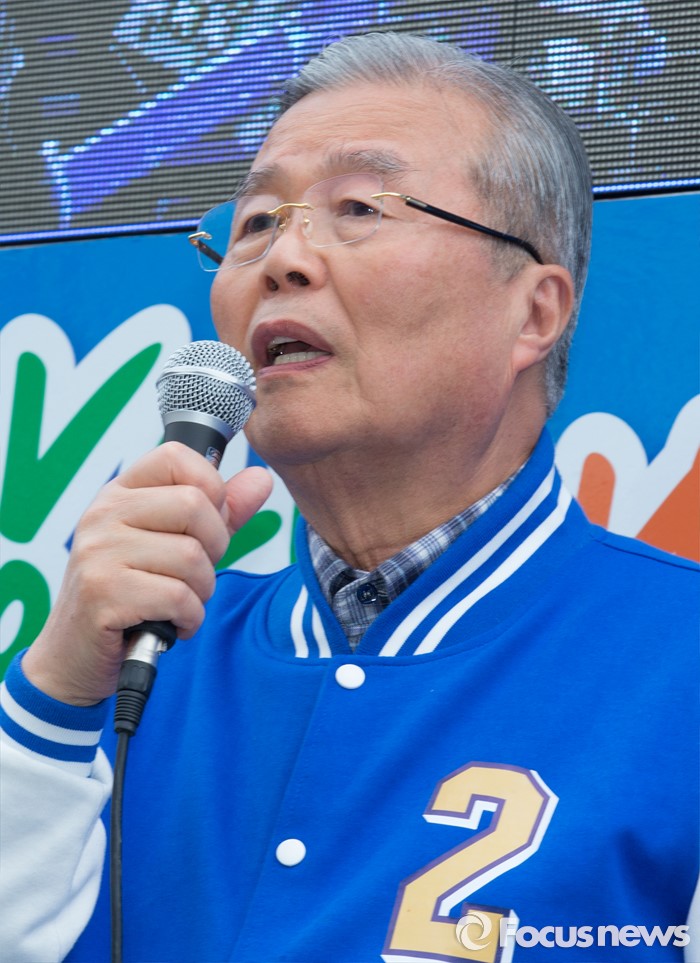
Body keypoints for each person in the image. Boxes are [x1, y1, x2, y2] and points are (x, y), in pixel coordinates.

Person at [0, 31, 697, 963]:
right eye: (254, 222)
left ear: (534, 310)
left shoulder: (676, 657)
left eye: (361, 206)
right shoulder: (131, 664)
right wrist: (55, 690)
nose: (283, 258)